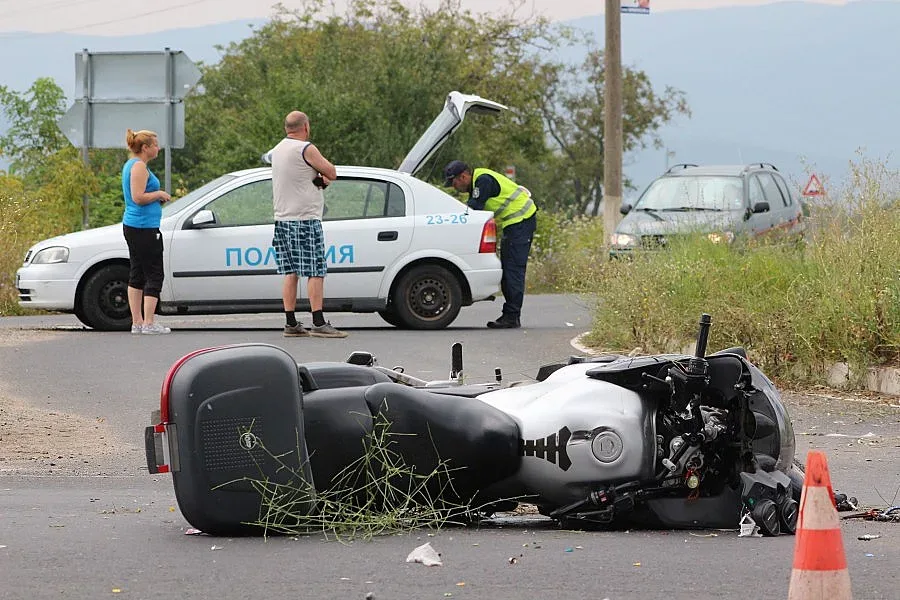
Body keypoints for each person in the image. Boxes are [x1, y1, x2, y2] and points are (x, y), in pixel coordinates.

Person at [268, 111, 347, 338]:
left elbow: (300, 179)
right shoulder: (306, 148)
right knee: (316, 270)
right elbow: (331, 171)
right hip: (305, 219)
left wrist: (318, 181)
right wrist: (324, 178)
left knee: (291, 271)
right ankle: (319, 322)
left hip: (282, 219)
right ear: (306, 127)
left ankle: (291, 322)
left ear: (286, 128)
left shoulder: (278, 151)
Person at [444, 160, 537, 329]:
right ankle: (511, 315)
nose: (453, 186)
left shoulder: (483, 181)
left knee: (513, 270)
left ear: (463, 176)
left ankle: (512, 316)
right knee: (509, 269)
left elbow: (474, 210)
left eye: (454, 182)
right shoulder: (478, 182)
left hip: (521, 222)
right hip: (515, 224)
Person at [122, 129, 171, 335]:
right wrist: (158, 194)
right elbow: (138, 197)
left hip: (136, 225)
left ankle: (138, 322)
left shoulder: (132, 165)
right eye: (155, 145)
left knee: (137, 273)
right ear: (145, 148)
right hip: (143, 227)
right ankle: (148, 322)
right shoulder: (139, 166)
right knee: (154, 273)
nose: (158, 148)